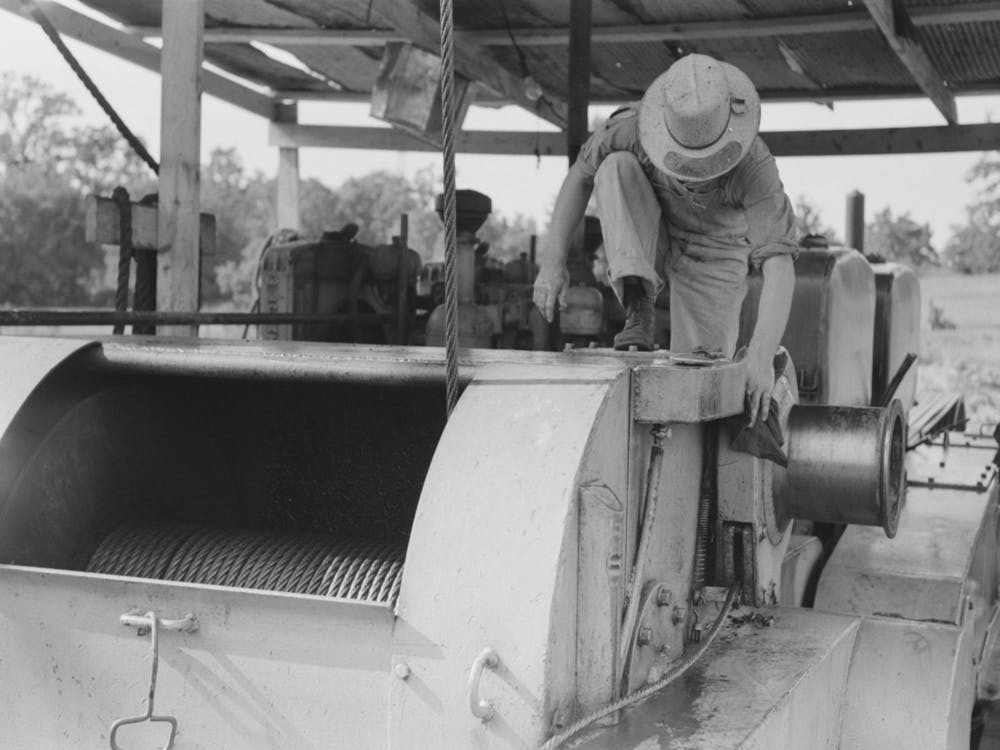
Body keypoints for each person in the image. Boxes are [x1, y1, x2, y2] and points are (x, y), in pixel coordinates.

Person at [533, 54, 797, 426]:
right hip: (653, 226)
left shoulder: (756, 167)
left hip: (716, 252)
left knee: (702, 385)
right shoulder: (633, 128)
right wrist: (552, 262)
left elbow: (780, 265)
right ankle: (638, 300)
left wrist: (760, 357)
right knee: (614, 167)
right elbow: (580, 176)